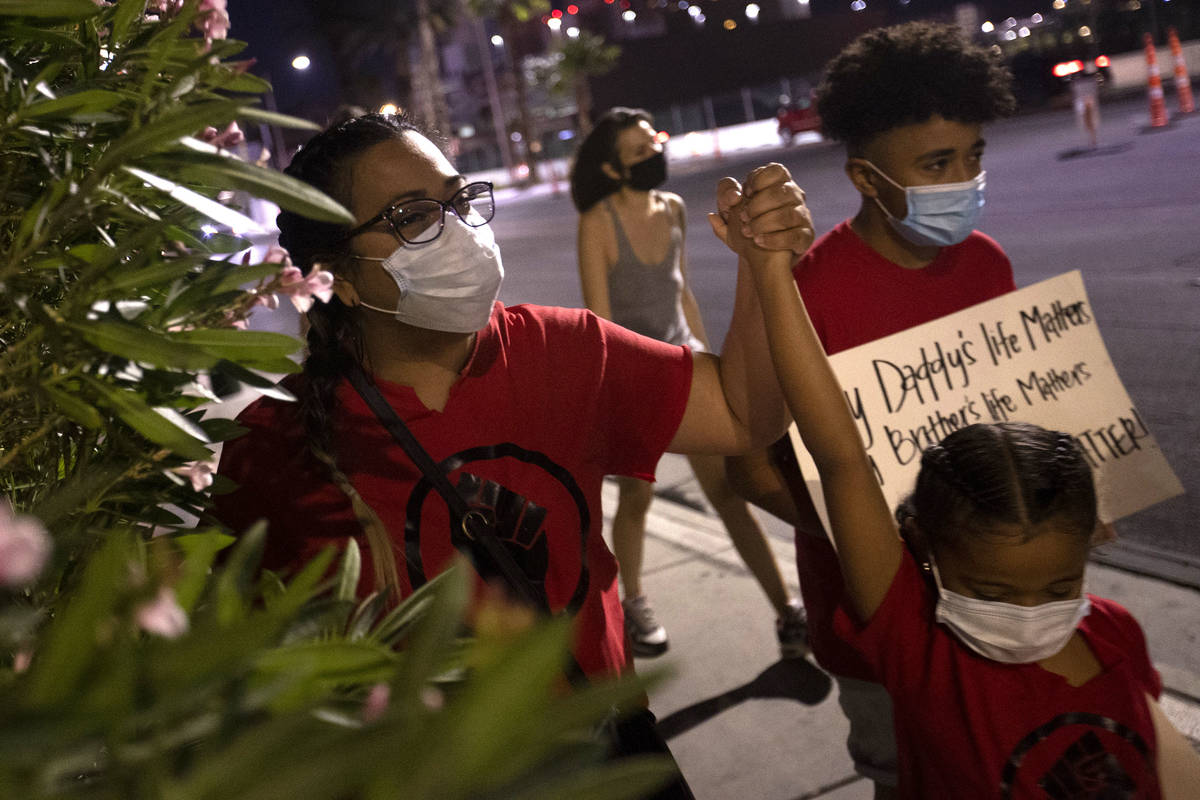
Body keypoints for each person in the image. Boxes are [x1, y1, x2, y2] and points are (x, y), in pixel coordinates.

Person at [213, 113, 812, 797]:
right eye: (412, 216)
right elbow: (243, 677)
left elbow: (743, 414)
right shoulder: (271, 446)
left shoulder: (564, 350)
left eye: (457, 200)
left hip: (608, 752)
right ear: (337, 278)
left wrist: (765, 267)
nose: (457, 231)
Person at [727, 176, 1200, 798]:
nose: (1029, 617)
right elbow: (840, 456)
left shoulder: (1115, 634)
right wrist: (769, 274)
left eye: (1060, 588)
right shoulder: (920, 654)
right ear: (922, 546)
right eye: (992, 592)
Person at [726, 21, 1017, 797]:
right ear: (864, 177)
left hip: (999, 603)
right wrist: (871, 544)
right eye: (935, 164)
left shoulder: (987, 264)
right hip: (877, 632)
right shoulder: (807, 300)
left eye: (972, 157)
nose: (963, 179)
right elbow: (751, 468)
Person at [570, 107, 805, 660]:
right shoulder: (598, 222)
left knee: (729, 493)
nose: (653, 155)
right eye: (637, 152)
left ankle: (787, 611)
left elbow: (683, 295)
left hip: (686, 364)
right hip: (634, 374)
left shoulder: (674, 209)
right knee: (637, 494)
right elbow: (599, 322)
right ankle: (634, 602)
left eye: (653, 143)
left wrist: (710, 363)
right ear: (612, 169)